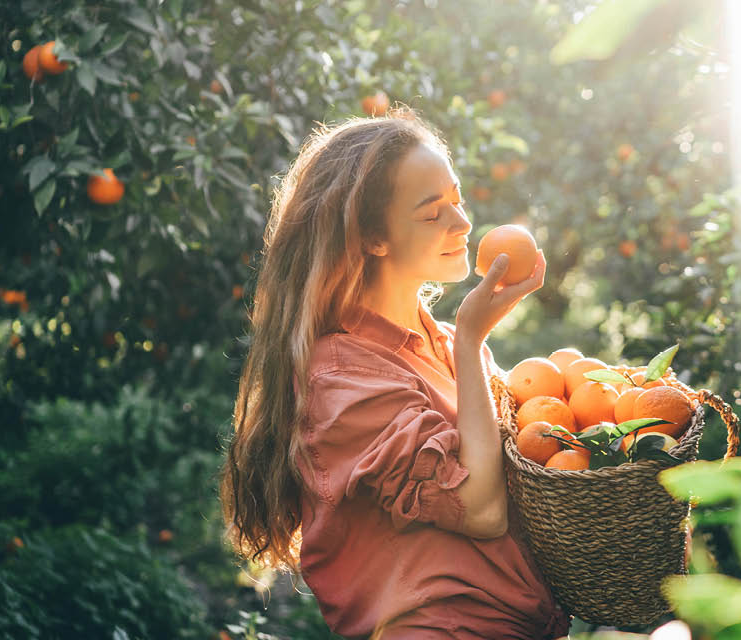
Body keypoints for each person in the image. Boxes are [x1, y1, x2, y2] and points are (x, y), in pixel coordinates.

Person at [219, 109, 570, 639]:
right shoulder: (338, 381)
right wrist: (475, 338)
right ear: (372, 237)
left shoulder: (447, 344)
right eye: (432, 213)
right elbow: (481, 511)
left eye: (457, 199)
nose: (463, 224)